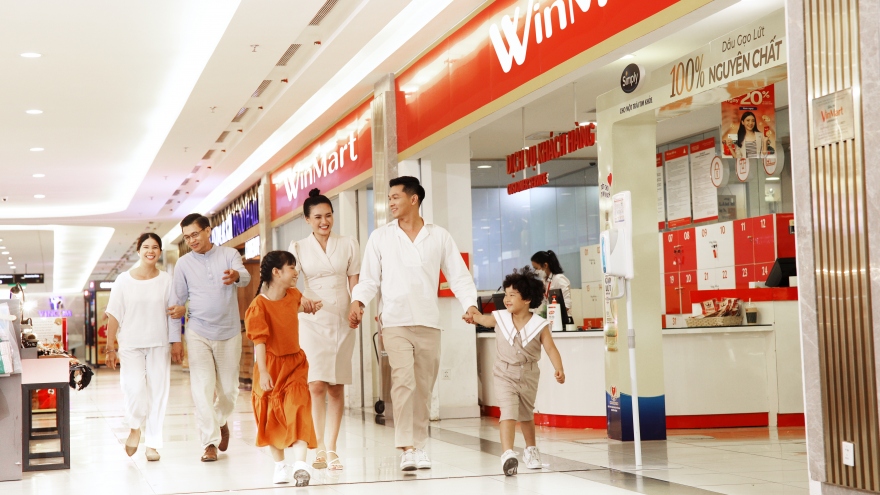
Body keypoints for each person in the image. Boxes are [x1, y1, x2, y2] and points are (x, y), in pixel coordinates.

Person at [348, 176, 479, 472]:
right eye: (389, 198)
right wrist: (358, 302)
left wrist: (469, 305)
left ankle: (418, 446)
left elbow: (458, 275)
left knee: (423, 387)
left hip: (429, 321)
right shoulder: (381, 237)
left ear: (413, 199)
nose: (391, 203)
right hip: (395, 322)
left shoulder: (438, 236)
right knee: (403, 382)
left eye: (395, 197)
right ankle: (407, 448)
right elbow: (369, 279)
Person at [464, 267, 565, 476]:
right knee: (508, 412)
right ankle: (508, 453)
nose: (507, 299)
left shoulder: (539, 325)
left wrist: (559, 368)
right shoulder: (500, 317)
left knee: (526, 414)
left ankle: (531, 450)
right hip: (504, 373)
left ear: (527, 299)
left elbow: (550, 348)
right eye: (506, 294)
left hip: (529, 375)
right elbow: (482, 319)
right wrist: (473, 315)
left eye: (512, 295)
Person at [170, 213, 251, 462]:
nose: (192, 240)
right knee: (202, 388)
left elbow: (245, 277)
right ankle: (209, 443)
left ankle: (220, 420)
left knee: (229, 390)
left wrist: (236, 276)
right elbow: (176, 303)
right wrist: (175, 340)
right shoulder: (183, 264)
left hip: (228, 332)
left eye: (195, 234)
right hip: (198, 332)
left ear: (208, 230)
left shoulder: (229, 254)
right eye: (187, 237)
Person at [290, 189, 360, 471]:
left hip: (342, 318)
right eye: (318, 217)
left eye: (328, 215)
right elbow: (290, 282)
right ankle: (318, 445)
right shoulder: (298, 247)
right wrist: (300, 300)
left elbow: (355, 281)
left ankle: (332, 448)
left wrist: (357, 304)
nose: (324, 221)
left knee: (336, 385)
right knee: (316, 384)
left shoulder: (349, 243)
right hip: (312, 318)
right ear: (307, 219)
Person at [245, 251, 322, 485]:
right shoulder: (258, 306)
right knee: (270, 416)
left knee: (298, 407)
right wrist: (264, 371)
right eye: (291, 267)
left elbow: (298, 307)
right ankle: (280, 466)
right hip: (269, 367)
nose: (296, 272)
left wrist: (312, 305)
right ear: (276, 272)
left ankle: (300, 464)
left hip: (295, 364)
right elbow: (259, 342)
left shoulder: (294, 295)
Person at [105, 233, 182, 462]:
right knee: (134, 389)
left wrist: (176, 341)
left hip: (159, 342)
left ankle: (153, 444)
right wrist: (110, 347)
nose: (151, 251)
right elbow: (114, 314)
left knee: (158, 393)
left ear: (160, 252)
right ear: (138, 251)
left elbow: (173, 313)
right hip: (130, 344)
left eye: (155, 247)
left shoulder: (166, 280)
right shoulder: (123, 280)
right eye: (146, 247)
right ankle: (135, 427)